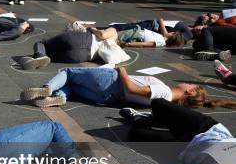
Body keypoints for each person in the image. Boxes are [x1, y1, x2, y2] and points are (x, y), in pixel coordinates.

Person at [20, 66, 236, 108]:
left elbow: (133, 89)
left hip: (111, 81)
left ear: (190, 92)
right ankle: (60, 97)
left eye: (189, 84)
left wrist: (122, 70)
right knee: (73, 87)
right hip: (108, 98)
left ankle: (48, 88)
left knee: (68, 73)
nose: (187, 82)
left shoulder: (165, 93)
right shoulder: (166, 101)